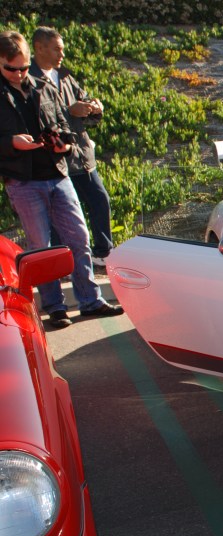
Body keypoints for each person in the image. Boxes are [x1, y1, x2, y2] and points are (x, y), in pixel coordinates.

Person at [0, 30, 122, 328]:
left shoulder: (44, 87)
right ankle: (54, 307)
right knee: (40, 247)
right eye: (11, 69)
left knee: (79, 238)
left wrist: (64, 144)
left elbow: (64, 126)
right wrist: (12, 143)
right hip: (23, 181)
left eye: (23, 67)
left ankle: (90, 300)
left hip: (58, 173)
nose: (19, 74)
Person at [30, 26, 113, 267]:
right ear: (39, 48)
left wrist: (94, 108)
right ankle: (62, 261)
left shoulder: (65, 75)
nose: (62, 54)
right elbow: (37, 118)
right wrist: (70, 111)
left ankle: (103, 252)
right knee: (60, 213)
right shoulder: (29, 79)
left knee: (99, 199)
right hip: (55, 159)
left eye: (63, 49)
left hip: (82, 155)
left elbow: (82, 102)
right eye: (57, 49)